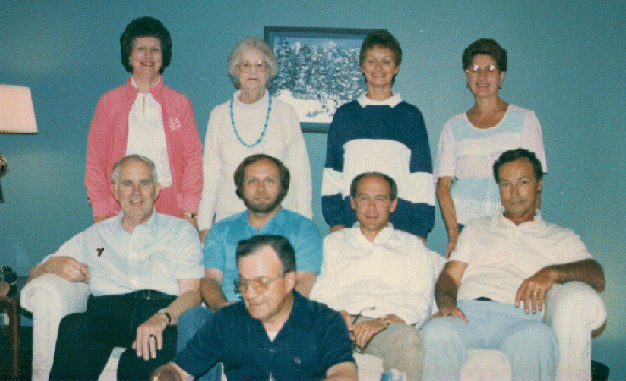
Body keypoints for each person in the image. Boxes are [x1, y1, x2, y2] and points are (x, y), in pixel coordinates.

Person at [422, 148, 605, 381]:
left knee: (538, 340)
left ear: (539, 184)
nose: (514, 192)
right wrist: (447, 305)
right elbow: (450, 276)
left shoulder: (559, 236)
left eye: (523, 182)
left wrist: (551, 272)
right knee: (436, 333)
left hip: (521, 319)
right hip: (468, 315)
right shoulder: (477, 228)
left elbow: (596, 274)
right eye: (506, 184)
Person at [28, 155, 204, 381]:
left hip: (158, 312)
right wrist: (54, 264)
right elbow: (34, 273)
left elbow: (192, 294)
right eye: (127, 183)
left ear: (157, 189)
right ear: (115, 191)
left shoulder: (180, 231)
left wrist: (162, 318)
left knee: (136, 364)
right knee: (74, 326)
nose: (136, 192)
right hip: (106, 314)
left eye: (145, 183)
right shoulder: (96, 236)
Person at [177, 154, 323, 380]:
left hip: (277, 313)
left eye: (269, 180)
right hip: (228, 314)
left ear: (282, 187)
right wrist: (222, 307)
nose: (261, 188)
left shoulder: (303, 229)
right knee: (193, 317)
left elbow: (303, 283)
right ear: (241, 188)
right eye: (252, 181)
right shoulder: (221, 229)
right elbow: (210, 280)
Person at [152, 235, 357, 381]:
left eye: (261, 282)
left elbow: (345, 376)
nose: (249, 293)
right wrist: (165, 376)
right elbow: (178, 370)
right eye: (243, 283)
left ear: (289, 281)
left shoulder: (324, 321)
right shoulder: (228, 320)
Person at [312, 172, 444, 380]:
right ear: (353, 203)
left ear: (393, 204)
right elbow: (319, 293)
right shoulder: (333, 243)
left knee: (407, 340)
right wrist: (336, 315)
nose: (371, 207)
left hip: (387, 326)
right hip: (339, 324)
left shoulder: (413, 247)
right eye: (364, 198)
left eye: (380, 199)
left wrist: (382, 321)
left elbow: (420, 304)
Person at [434, 38, 547, 257]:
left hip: (511, 225)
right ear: (467, 76)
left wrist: (526, 229)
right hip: (467, 229)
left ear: (501, 77)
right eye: (476, 69)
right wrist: (454, 234)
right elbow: (443, 186)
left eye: (491, 69)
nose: (483, 76)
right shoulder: (453, 126)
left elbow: (535, 182)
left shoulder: (525, 120)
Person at [85, 16, 203, 228]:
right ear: (129, 56)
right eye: (140, 48)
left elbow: (193, 159)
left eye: (155, 49)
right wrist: (100, 215)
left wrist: (191, 212)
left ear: (163, 56)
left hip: (172, 210)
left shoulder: (180, 103)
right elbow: (95, 162)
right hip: (120, 208)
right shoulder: (108, 103)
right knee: (104, 255)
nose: (148, 56)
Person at [321, 29, 435, 242]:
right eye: (372, 61)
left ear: (396, 68)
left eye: (386, 61)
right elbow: (332, 173)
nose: (379, 68)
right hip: (351, 227)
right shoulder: (345, 115)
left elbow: (422, 177)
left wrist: (420, 229)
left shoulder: (411, 116)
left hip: (402, 229)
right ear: (363, 67)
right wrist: (335, 221)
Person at [197, 36, 312, 240]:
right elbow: (210, 174)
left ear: (268, 73)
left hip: (279, 223)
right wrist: (204, 225)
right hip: (229, 221)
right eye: (246, 65)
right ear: (236, 72)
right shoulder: (219, 115)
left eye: (259, 65)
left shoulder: (285, 113)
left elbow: (301, 174)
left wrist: (304, 224)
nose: (252, 71)